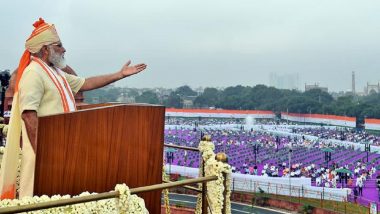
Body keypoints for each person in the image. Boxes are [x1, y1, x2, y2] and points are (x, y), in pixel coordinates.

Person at [0, 18, 147, 199]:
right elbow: (29, 115)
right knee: (40, 199)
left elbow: (86, 83)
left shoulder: (56, 72)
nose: (64, 49)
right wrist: (43, 152)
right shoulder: (33, 73)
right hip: (46, 152)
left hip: (62, 147)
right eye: (59, 45)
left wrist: (119, 74)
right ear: (45, 49)